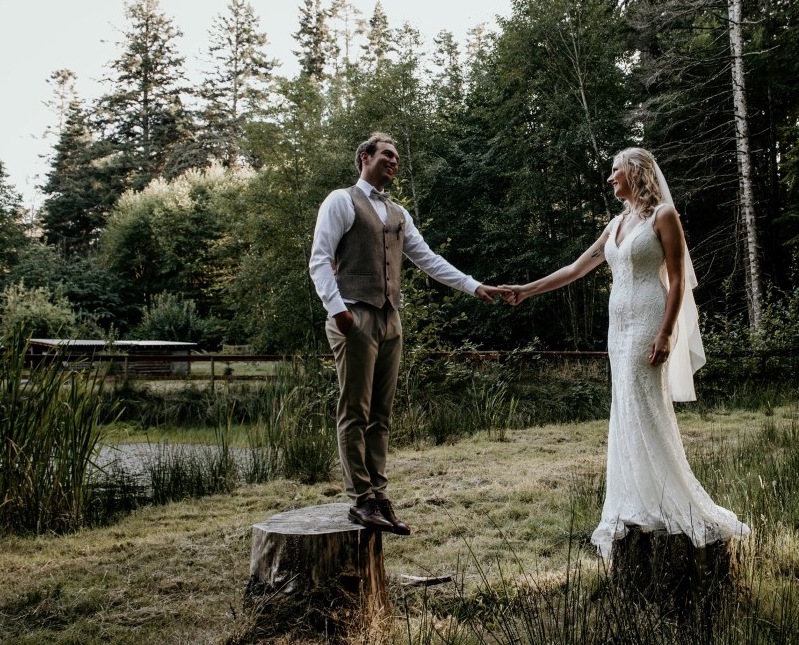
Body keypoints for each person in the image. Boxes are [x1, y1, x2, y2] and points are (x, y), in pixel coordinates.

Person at [502, 147, 750, 559]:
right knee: (625, 408)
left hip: (648, 323)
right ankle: (636, 499)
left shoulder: (663, 217)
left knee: (644, 406)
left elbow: (677, 280)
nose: (610, 178)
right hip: (617, 331)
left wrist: (667, 333)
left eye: (615, 170)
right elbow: (576, 269)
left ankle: (671, 499)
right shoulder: (616, 223)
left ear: (635, 172)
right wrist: (526, 291)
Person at [309, 132, 508, 535]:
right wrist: (339, 312)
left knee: (381, 415)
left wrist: (474, 286)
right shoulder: (341, 200)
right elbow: (320, 259)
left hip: (390, 318)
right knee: (355, 411)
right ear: (364, 157)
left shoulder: (399, 213)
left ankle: (380, 495)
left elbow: (429, 260)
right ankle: (360, 500)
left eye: (397, 157)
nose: (394, 162)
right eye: (386, 155)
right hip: (354, 315)